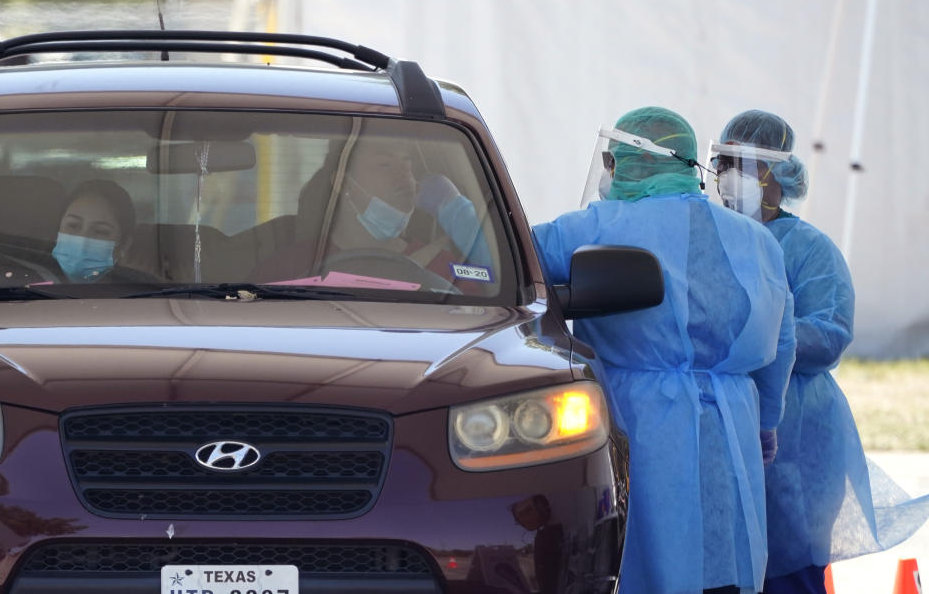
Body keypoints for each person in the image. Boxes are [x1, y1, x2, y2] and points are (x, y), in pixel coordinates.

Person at [533, 106, 796, 594]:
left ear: (632, 162)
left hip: (642, 416)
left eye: (613, 163)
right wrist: (766, 420)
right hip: (734, 419)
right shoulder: (759, 242)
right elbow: (782, 340)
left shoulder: (595, 226)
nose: (608, 175)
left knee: (646, 556)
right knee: (724, 558)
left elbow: (513, 261)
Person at [714, 109, 929, 594]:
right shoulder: (715, 236)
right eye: (721, 161)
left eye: (738, 163)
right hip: (729, 420)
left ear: (773, 174)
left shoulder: (809, 248)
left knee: (791, 569)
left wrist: (758, 340)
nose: (725, 175)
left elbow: (829, 333)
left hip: (797, 430)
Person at [251, 135, 491, 287]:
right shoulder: (287, 270)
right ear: (343, 182)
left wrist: (458, 212)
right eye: (384, 165)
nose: (404, 175)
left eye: (407, 163)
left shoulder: (450, 270)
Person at [51, 179, 142, 283]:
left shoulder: (146, 293)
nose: (82, 240)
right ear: (58, 230)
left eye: (100, 232)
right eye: (73, 225)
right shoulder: (31, 283)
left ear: (124, 245)